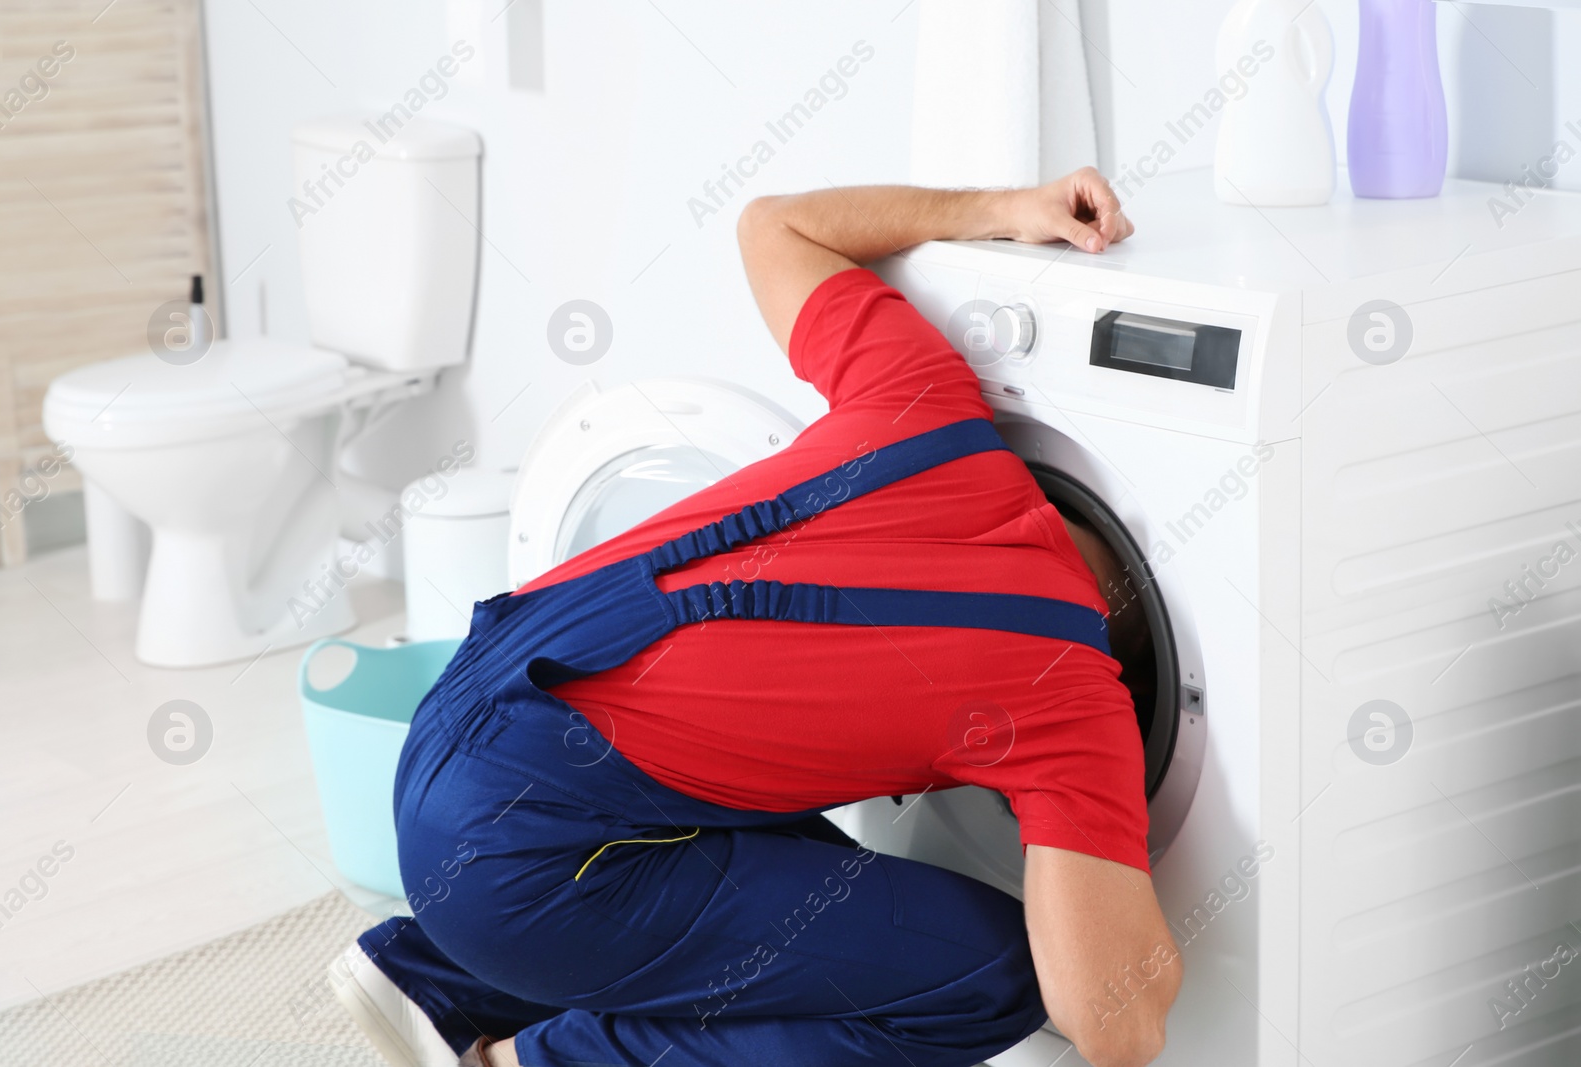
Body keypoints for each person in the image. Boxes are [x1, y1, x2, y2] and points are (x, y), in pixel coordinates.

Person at [329, 167, 1181, 1067]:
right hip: (523, 867)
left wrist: (1007, 210)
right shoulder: (1075, 705)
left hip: (461, 717)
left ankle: (441, 978)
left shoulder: (926, 403)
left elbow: (775, 226)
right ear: (1133, 672)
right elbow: (1115, 1026)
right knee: (990, 980)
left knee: (791, 859)